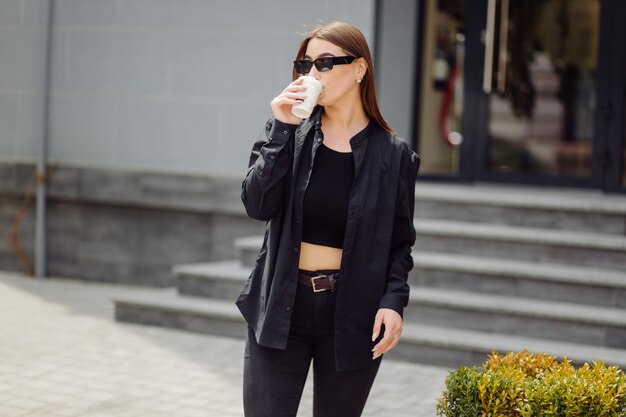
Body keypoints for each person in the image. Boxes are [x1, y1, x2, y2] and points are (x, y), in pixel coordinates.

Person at [236, 21, 420, 417]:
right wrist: (283, 128)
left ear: (359, 68)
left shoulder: (394, 156)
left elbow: (401, 242)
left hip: (353, 311)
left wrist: (393, 302)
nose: (312, 74)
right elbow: (256, 205)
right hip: (282, 302)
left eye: (325, 63)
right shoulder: (288, 134)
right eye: (305, 65)